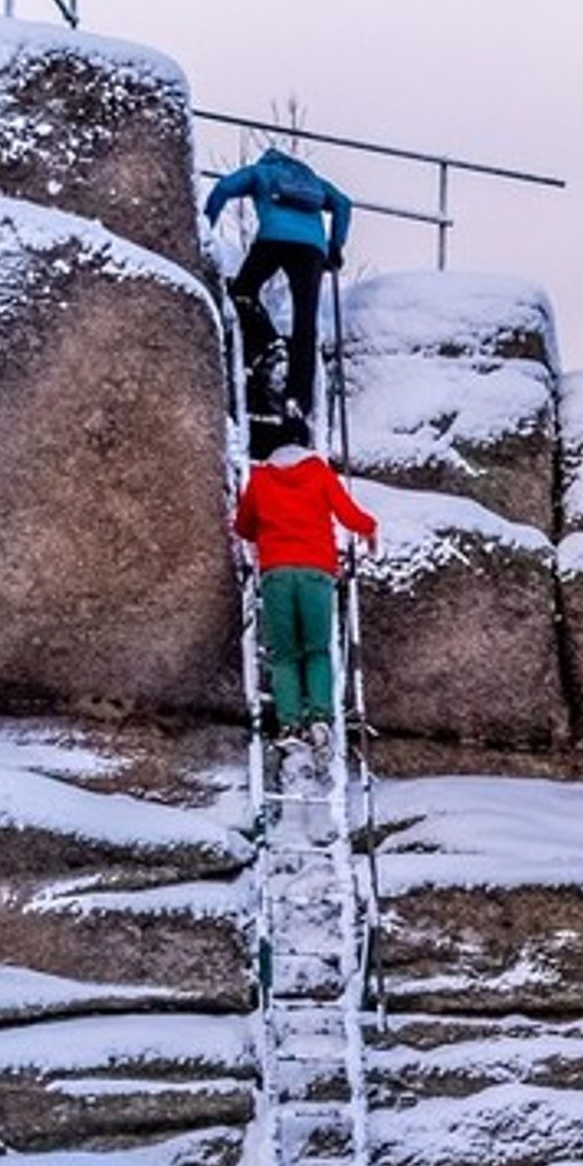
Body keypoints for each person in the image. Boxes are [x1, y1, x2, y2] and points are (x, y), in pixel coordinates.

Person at [233, 412, 376, 763]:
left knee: (285, 653)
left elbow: (244, 526)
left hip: (277, 573)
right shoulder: (319, 473)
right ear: (305, 443)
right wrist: (369, 529)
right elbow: (348, 514)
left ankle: (289, 723)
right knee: (317, 649)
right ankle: (320, 719)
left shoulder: (262, 478)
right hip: (316, 573)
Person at [204, 143, 352, 424]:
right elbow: (343, 203)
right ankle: (299, 399)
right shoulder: (312, 181)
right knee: (305, 321)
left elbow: (224, 187)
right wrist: (335, 248)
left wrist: (205, 226)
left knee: (242, 292)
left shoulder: (262, 172)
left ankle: (268, 341)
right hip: (312, 250)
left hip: (273, 240)